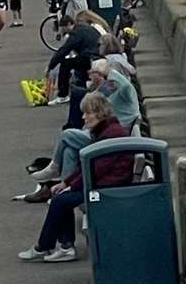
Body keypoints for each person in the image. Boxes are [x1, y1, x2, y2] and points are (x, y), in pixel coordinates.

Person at [18, 92, 132, 263]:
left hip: (109, 189)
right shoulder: (105, 130)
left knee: (60, 200)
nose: (84, 117)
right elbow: (89, 166)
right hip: (105, 183)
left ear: (100, 113)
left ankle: (45, 246)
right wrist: (65, 183)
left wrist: (72, 187)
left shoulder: (110, 135)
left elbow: (95, 169)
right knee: (61, 194)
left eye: (88, 113)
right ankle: (64, 246)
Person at [46, 16, 103, 128]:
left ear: (68, 24)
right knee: (72, 63)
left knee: (66, 64)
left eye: (63, 28)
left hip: (90, 58)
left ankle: (63, 94)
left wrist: (50, 66)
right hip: (96, 55)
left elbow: (65, 49)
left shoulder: (76, 33)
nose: (62, 32)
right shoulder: (84, 28)